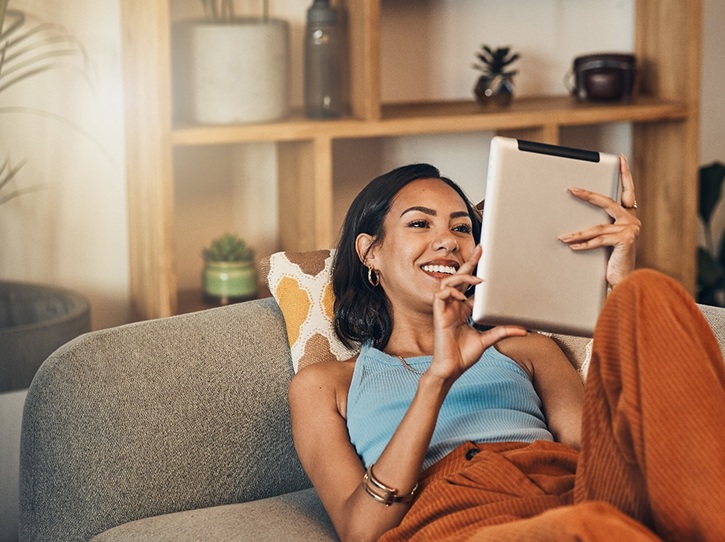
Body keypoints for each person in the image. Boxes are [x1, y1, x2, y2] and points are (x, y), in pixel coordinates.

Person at [288, 159, 725, 541]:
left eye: (461, 228)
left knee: (648, 291)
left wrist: (617, 282)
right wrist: (438, 377)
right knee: (591, 530)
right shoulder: (326, 385)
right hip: (460, 519)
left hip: (571, 491)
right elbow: (361, 531)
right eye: (420, 224)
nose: (447, 241)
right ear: (370, 253)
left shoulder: (527, 348)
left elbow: (601, 455)